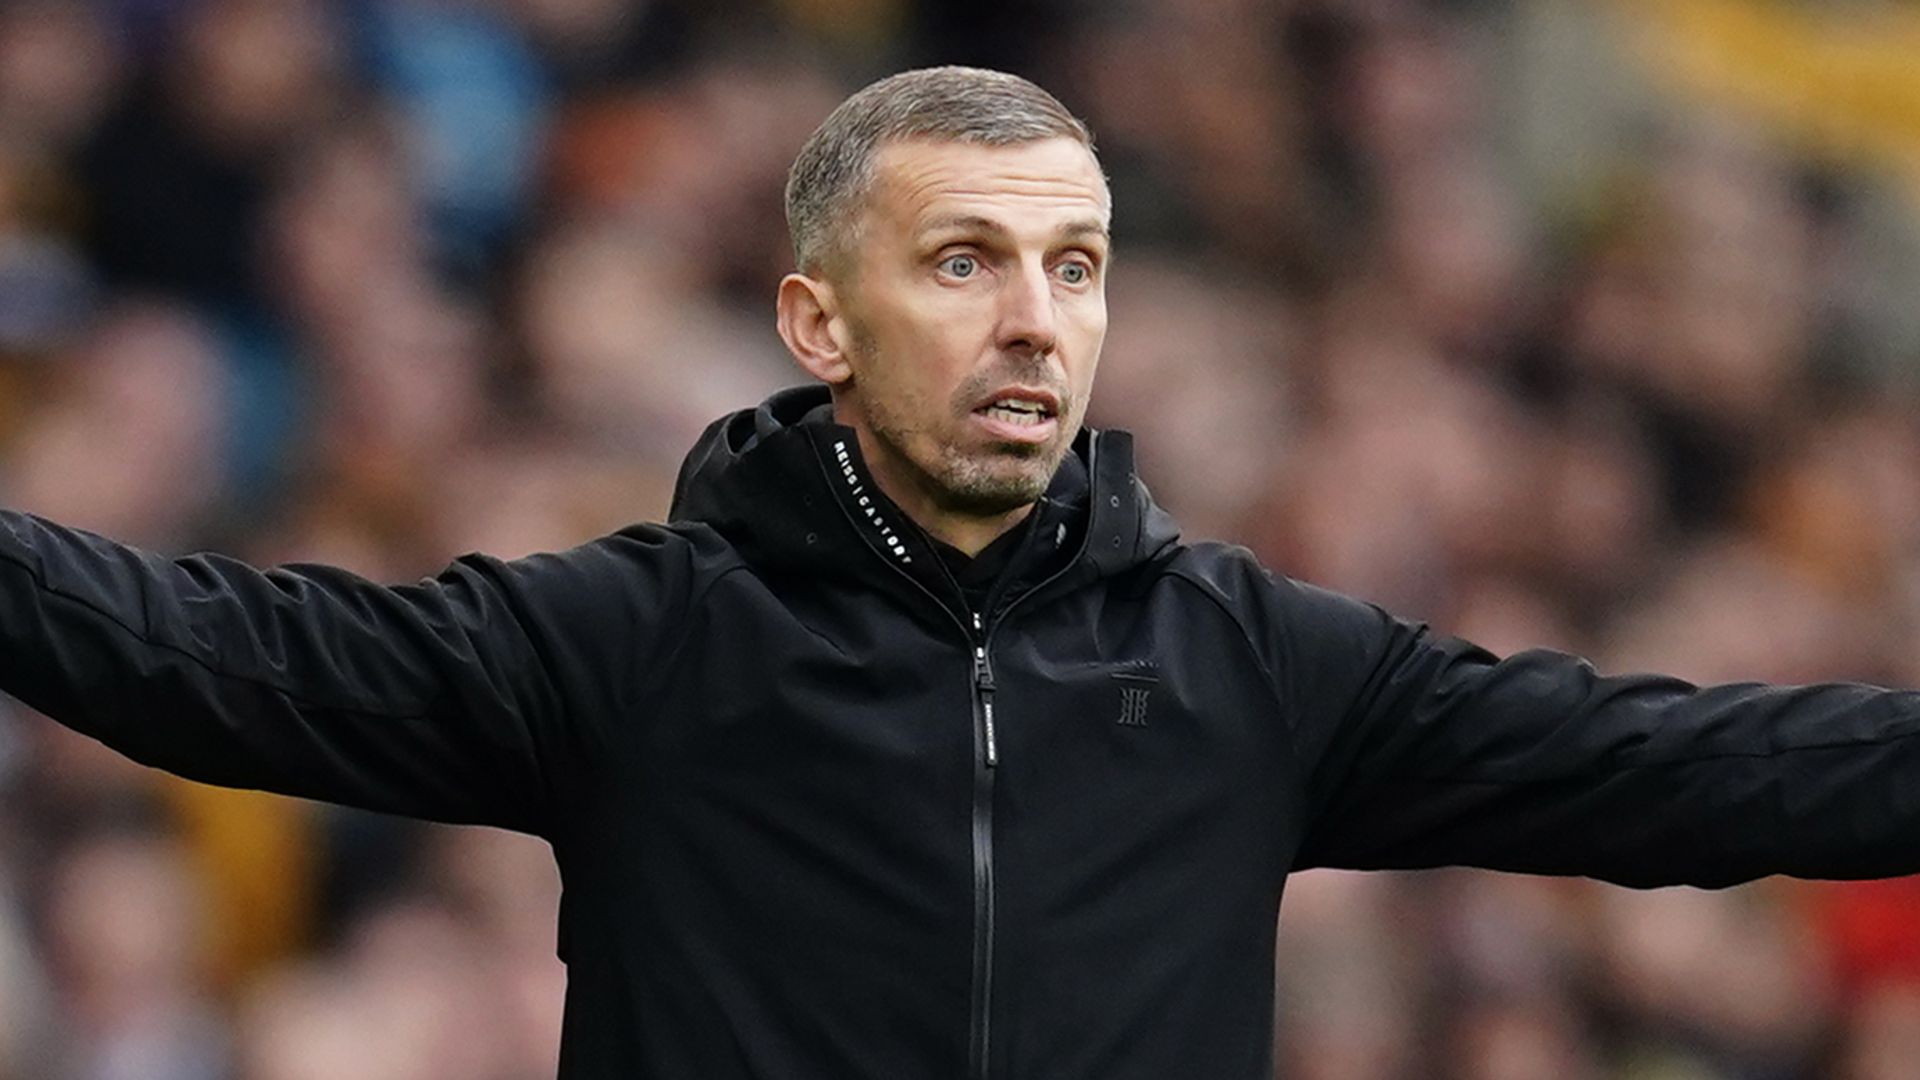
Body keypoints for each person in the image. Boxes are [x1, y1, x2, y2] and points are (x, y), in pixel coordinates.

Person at [3, 65, 1920, 1080]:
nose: (1032, 319)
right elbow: (208, 655)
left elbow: (1686, 769)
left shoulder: (1255, 661)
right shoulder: (638, 641)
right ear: (816, 322)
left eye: (1073, 267)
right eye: (963, 262)